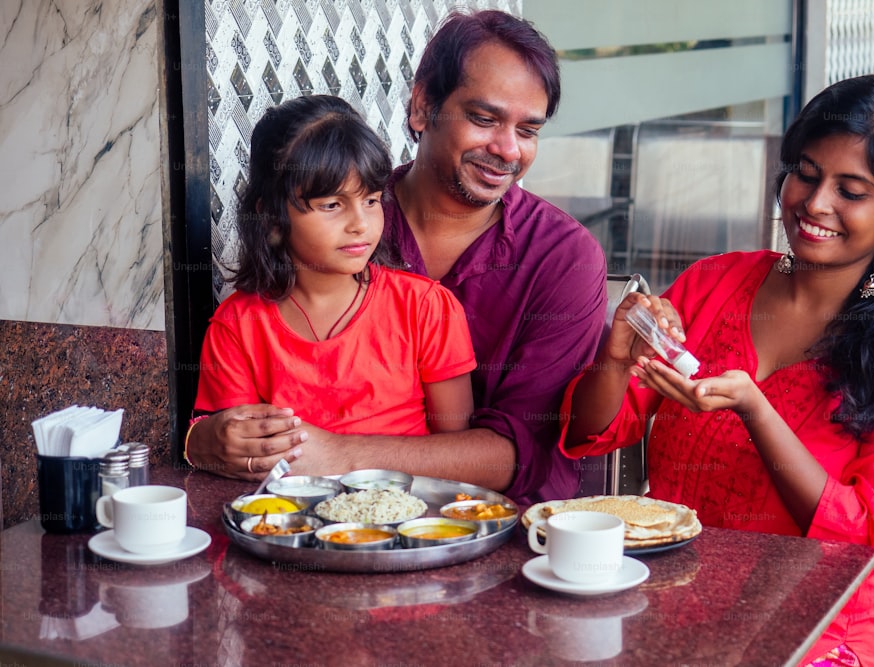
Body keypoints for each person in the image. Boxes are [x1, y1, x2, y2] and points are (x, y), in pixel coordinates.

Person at [559, 73, 874, 666]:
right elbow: (593, 434)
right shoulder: (713, 284)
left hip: (816, 630)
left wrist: (755, 411)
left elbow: (864, 537)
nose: (815, 204)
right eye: (806, 175)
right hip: (665, 602)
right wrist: (614, 360)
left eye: (852, 191)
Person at [185, 10, 608, 504]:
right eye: (483, 118)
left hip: (500, 533)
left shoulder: (565, 257)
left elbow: (519, 450)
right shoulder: (341, 219)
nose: (508, 150)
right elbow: (227, 433)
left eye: (529, 130)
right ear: (423, 106)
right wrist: (204, 442)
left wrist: (340, 456)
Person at [189, 94, 476, 466]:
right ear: (273, 217)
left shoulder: (425, 309)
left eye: (371, 200)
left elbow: (457, 457)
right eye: (332, 205)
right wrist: (201, 442)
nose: (360, 223)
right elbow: (238, 454)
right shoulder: (237, 326)